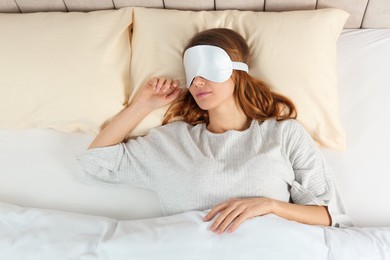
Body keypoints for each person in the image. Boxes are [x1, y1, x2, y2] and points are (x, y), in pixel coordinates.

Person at [77, 28, 353, 234]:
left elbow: (332, 216)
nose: (197, 81)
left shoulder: (284, 134)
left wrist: (270, 206)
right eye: (191, 73)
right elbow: (94, 166)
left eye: (208, 69)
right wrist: (142, 104)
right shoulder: (172, 142)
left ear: (237, 72)